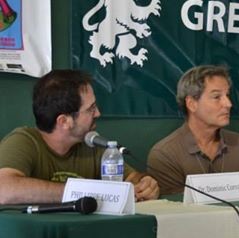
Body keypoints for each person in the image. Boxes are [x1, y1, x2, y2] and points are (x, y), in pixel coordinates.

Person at [0, 70, 159, 204]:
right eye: (91, 109)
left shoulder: (92, 146)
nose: (98, 113)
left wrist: (144, 184)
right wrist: (83, 192)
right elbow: (4, 189)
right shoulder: (24, 141)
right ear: (64, 121)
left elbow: (132, 177)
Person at [147, 65, 239, 194]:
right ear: (192, 104)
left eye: (227, 95)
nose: (228, 104)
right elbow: (174, 210)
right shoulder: (165, 154)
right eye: (217, 97)